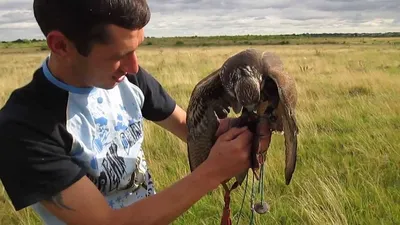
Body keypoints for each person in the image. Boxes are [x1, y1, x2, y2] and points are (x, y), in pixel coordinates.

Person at [0, 1, 264, 225]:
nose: (134, 67)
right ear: (60, 45)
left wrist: (234, 132)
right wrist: (212, 172)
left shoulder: (125, 79)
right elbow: (106, 222)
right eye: (119, 54)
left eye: (137, 48)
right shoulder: (23, 128)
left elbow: (188, 127)